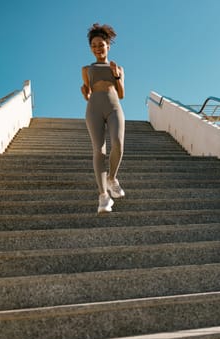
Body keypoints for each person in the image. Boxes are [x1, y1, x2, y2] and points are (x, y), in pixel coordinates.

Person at [81, 23, 126, 214]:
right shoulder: (86, 69)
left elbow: (122, 94)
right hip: (94, 109)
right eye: (94, 46)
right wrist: (85, 93)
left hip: (114, 106)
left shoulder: (118, 67)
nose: (98, 48)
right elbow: (88, 93)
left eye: (101, 44)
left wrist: (116, 76)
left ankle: (112, 178)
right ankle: (103, 197)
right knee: (99, 151)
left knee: (117, 143)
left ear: (108, 45)